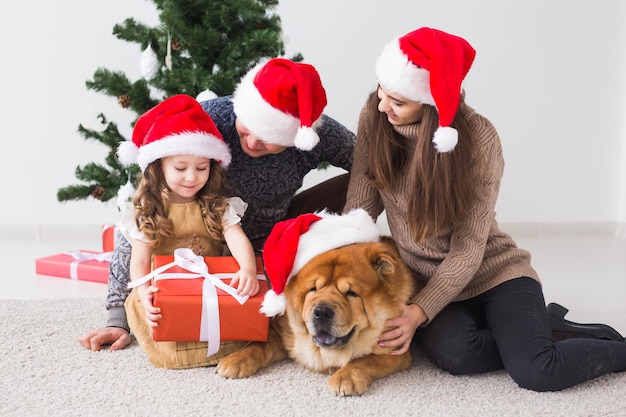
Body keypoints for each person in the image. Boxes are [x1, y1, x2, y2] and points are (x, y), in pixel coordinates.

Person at [343, 27, 626, 392]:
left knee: (537, 370)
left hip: (494, 273)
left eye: (397, 101)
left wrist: (417, 312)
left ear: (430, 104)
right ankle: (542, 327)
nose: (383, 106)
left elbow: (468, 249)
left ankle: (592, 347)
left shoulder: (479, 140)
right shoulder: (376, 118)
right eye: (382, 92)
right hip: (429, 280)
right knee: (455, 355)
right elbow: (359, 213)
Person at [79, 58, 355, 356]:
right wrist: (117, 318)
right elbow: (138, 221)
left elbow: (372, 157)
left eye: (269, 138)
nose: (252, 141)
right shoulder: (208, 121)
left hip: (271, 233)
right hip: (204, 242)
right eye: (246, 129)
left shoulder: (318, 133)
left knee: (359, 180)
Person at [116, 94, 260, 368]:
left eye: (202, 168)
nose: (192, 177)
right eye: (180, 168)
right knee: (163, 317)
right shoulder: (148, 209)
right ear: (159, 167)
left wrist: (247, 269)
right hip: (163, 290)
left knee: (235, 314)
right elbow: (140, 261)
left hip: (207, 286)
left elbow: (237, 238)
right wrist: (145, 291)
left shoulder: (218, 205)